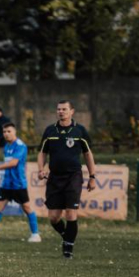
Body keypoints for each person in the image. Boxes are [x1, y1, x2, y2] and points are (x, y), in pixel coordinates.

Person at [37, 100, 97, 259]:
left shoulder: (79, 130)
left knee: (71, 214)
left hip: (73, 177)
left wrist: (92, 177)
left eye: (64, 109)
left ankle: (68, 249)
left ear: (72, 111)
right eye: (58, 109)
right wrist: (41, 169)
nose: (61, 112)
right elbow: (42, 153)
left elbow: (88, 154)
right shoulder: (50, 130)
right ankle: (67, 236)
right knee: (54, 217)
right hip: (55, 177)